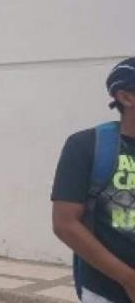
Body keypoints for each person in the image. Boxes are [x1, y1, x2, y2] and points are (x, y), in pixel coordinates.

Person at [53, 58, 135, 303]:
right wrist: (129, 280)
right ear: (126, 97)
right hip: (107, 291)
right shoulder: (87, 145)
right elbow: (65, 223)